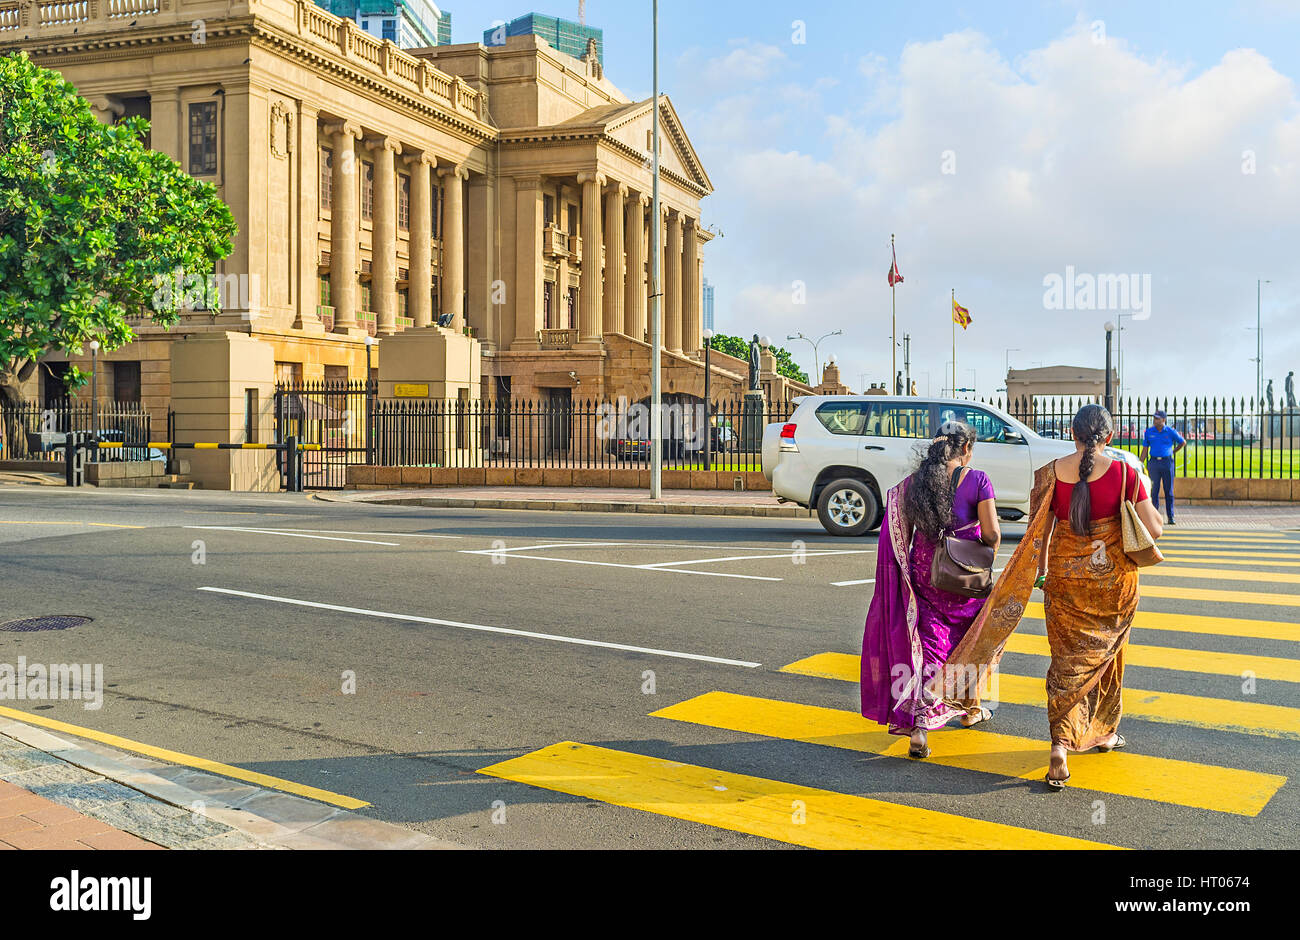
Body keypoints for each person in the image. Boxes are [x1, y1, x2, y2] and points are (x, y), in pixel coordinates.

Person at [927, 404, 1162, 789]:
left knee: (1066, 662)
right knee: (1106, 659)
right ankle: (1101, 733)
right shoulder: (1124, 473)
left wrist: (1040, 576)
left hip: (1064, 583)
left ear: (1072, 434)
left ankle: (1060, 746)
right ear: (1109, 437)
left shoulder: (1051, 474)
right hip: (1114, 585)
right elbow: (1154, 528)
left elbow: (1042, 533)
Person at [860, 421, 1001, 759]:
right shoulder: (976, 480)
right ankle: (964, 710)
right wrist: (976, 541)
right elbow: (993, 534)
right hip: (964, 578)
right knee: (970, 643)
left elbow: (900, 536)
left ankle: (923, 726)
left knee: (930, 650)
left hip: (925, 576)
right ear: (965, 449)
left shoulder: (911, 485)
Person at [1140, 409, 1185, 525]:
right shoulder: (1149, 432)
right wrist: (1140, 462)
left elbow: (1182, 442)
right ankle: (1154, 516)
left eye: (1157, 418)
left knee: (1168, 490)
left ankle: (1170, 517)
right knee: (1153, 491)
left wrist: (1172, 452)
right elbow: (1145, 449)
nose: (1155, 420)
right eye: (1154, 418)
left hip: (1167, 463)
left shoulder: (1170, 431)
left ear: (1164, 420)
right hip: (1154, 463)